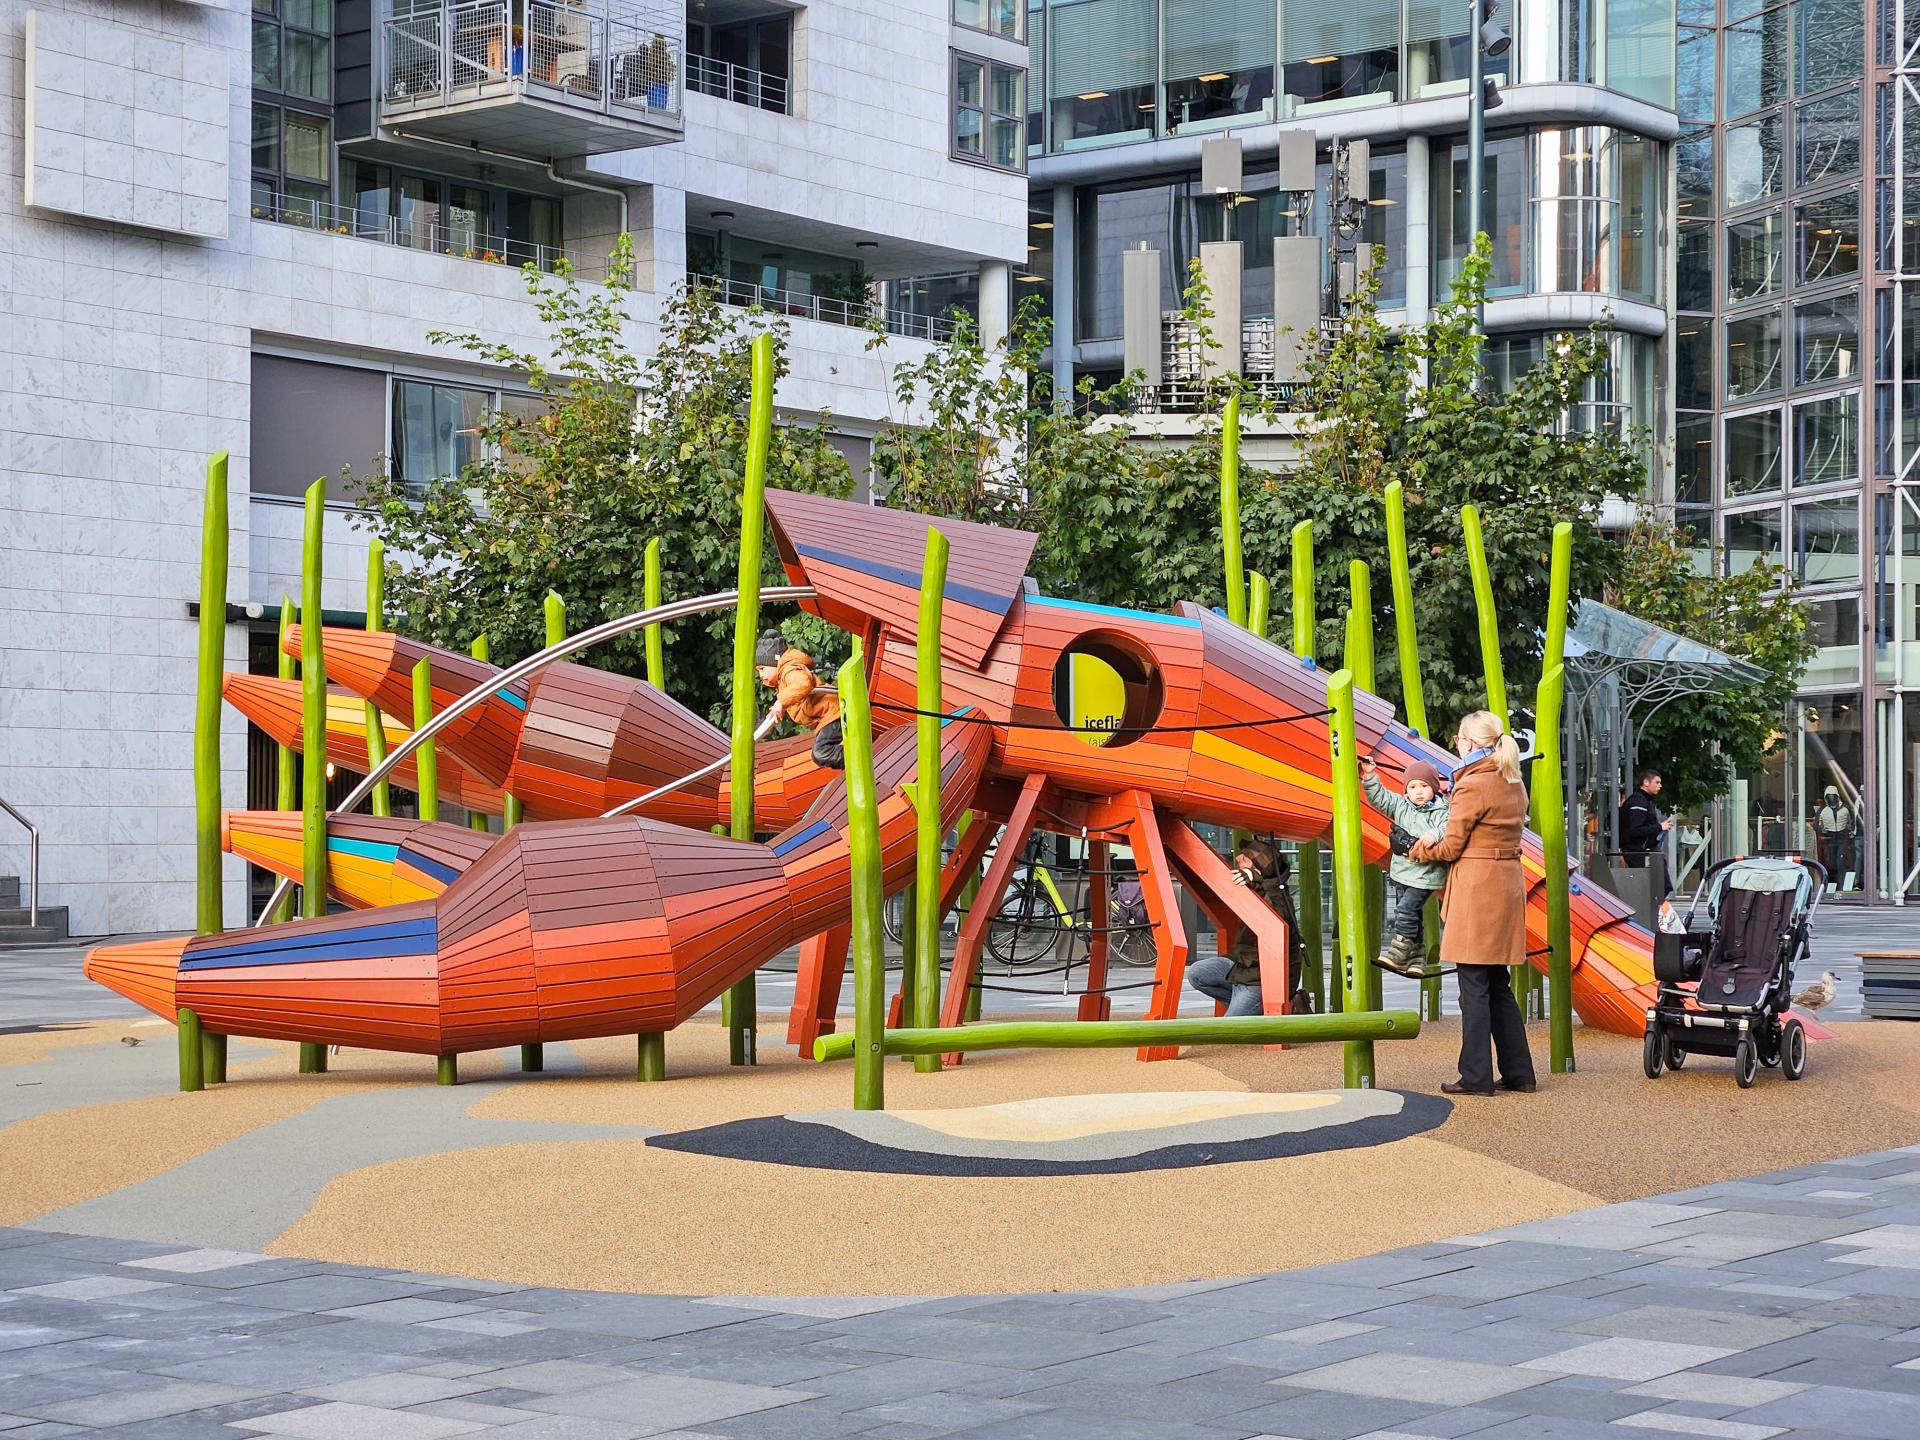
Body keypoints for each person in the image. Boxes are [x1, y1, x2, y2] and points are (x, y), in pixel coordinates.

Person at [1409, 711, 1537, 1097]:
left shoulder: (1473, 784)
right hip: (1506, 883)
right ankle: (1519, 1073)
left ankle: (1476, 1076)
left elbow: (1451, 844)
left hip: (1478, 887)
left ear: (1467, 742)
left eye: (1458, 738)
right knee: (1498, 983)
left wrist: (1419, 850)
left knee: (1474, 986)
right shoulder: (1512, 779)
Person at [1186, 839, 1310, 1017]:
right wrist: (1254, 879)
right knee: (1197, 973)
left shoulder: (1277, 895)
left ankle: (1263, 1007)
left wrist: (1255, 878)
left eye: (1244, 857)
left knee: (1229, 1031)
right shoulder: (1253, 887)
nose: (1238, 858)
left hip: (1262, 980)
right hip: (1242, 969)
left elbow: (1277, 911)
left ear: (1257, 866)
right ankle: (1249, 1010)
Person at [1359, 755, 1450, 977]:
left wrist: (1433, 834)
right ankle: (1417, 958)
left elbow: (1448, 826)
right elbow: (1380, 799)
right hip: (1402, 872)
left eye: (1424, 786)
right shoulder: (1401, 805)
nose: (1418, 791)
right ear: (1406, 789)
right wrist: (1370, 776)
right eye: (1412, 786)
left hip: (1426, 874)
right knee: (1413, 914)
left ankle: (1399, 951)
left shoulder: (1441, 810)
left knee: (1405, 910)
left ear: (1434, 788)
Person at [754, 632, 844, 769]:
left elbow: (803, 684)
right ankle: (853, 757)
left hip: (833, 714)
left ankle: (856, 759)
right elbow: (797, 696)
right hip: (829, 717)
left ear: (775, 662)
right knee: (820, 753)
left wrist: (781, 701)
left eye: (762, 669)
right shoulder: (783, 679)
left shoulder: (789, 670)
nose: (761, 675)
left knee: (821, 753)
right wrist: (783, 706)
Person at [1618, 767, 1672, 890]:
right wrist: (1659, 827)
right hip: (1639, 851)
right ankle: (1652, 908)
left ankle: (1654, 907)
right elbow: (1635, 830)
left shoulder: (1645, 801)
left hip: (1645, 850)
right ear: (1646, 782)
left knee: (1660, 885)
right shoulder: (1639, 802)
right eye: (1657, 782)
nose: (1660, 786)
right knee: (1659, 886)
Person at [1816, 785, 1856, 887]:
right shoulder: (1822, 811)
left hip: (1842, 837)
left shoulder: (1845, 809)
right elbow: (1817, 826)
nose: (1831, 798)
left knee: (1840, 862)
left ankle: (1842, 885)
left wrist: (1851, 833)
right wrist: (1822, 831)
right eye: (1829, 796)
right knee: (1831, 863)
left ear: (1837, 796)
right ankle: (1830, 886)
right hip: (1829, 837)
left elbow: (1852, 823)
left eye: (1833, 796)